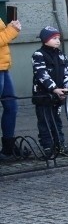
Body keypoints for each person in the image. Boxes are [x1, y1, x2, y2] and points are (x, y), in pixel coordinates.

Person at [31, 26, 68, 157]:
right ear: (45, 40)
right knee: (44, 121)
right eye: (54, 38)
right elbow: (41, 74)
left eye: (58, 38)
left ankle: (60, 144)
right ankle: (47, 147)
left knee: (57, 121)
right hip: (43, 95)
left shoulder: (61, 55)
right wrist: (54, 88)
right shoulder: (38, 55)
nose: (57, 41)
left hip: (59, 95)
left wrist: (67, 86)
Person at [0, 15, 23, 160]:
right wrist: (11, 30)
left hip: (3, 67)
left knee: (12, 107)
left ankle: (8, 150)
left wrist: (12, 30)